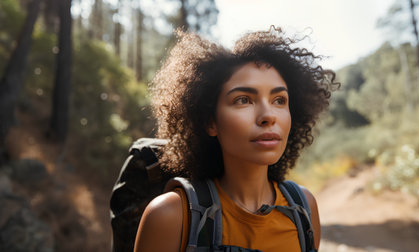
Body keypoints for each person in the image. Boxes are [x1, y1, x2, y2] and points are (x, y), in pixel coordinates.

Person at [134, 26, 339, 252]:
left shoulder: (304, 209)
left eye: (279, 100)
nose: (268, 116)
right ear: (210, 122)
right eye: (243, 100)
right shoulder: (170, 217)